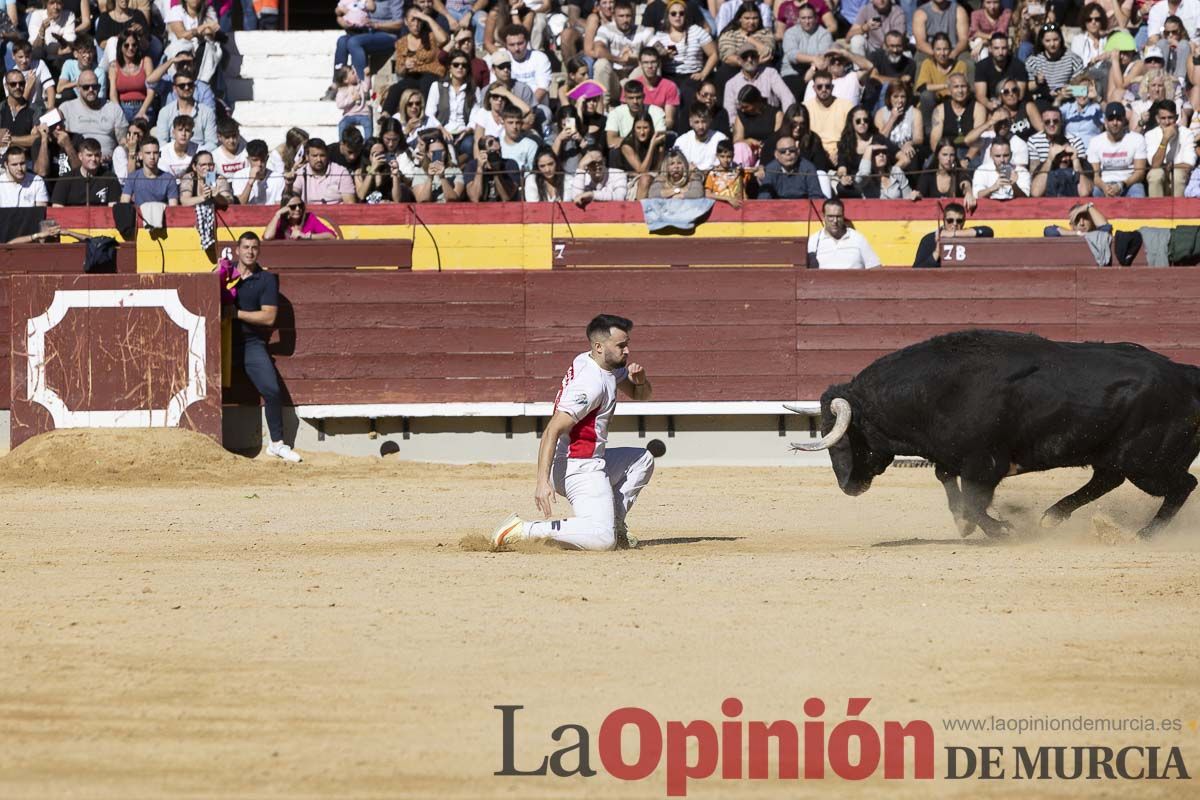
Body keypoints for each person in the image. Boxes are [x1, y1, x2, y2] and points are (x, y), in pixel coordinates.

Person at [490, 313, 653, 551]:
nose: (627, 351)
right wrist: (542, 482)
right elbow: (552, 430)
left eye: (627, 344)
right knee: (602, 540)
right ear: (599, 346)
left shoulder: (596, 362)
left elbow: (641, 395)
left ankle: (615, 525)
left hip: (589, 459)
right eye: (621, 345)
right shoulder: (590, 385)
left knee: (642, 460)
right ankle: (521, 530)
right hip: (578, 466)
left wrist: (641, 381)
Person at [224, 231, 303, 463]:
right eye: (246, 247)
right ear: (237, 250)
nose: (250, 251)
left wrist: (236, 313)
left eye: (254, 248)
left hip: (251, 343)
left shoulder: (266, 280)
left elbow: (269, 318)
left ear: (259, 251)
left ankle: (276, 443)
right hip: (221, 340)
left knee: (271, 390)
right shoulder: (225, 273)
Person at [59, 69, 129, 159]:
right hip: (77, 163)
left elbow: (123, 142)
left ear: (99, 87)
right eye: (86, 87)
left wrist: (116, 157)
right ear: (78, 88)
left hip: (108, 163)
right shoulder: (66, 108)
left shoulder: (113, 108)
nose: (91, 90)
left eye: (94, 86)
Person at [1087, 101, 1148, 196]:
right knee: (1095, 193)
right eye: (1111, 119)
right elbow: (1095, 176)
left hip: (1129, 183)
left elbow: (1140, 173)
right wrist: (1105, 188)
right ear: (1105, 121)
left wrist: (1121, 185)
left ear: (1124, 121)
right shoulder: (1095, 142)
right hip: (1104, 183)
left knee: (1138, 193)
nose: (1115, 123)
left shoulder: (1137, 139)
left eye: (1118, 119)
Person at [1028, 105, 1092, 197]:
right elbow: (1034, 186)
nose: (1051, 124)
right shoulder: (1034, 140)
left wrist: (1075, 159)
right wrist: (1050, 159)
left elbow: (1084, 189)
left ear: (1061, 122)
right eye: (1047, 121)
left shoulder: (1075, 140)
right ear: (1042, 123)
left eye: (1055, 121)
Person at [155, 65, 217, 152]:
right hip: (172, 159)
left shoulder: (207, 112)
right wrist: (177, 154)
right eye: (182, 86)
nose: (186, 88)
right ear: (175, 88)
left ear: (194, 86)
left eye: (190, 84)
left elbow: (212, 143)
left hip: (198, 158)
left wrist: (193, 154)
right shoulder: (165, 112)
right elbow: (161, 142)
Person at [912, 202, 993, 267]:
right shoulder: (929, 240)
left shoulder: (967, 235)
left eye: (959, 221)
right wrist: (936, 253)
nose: (954, 224)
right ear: (944, 220)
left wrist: (954, 234)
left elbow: (988, 232)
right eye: (950, 220)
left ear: (964, 222)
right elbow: (916, 271)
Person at [806, 198, 881, 268]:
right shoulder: (814, 240)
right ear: (823, 217)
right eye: (830, 216)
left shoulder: (858, 238)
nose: (835, 221)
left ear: (843, 216)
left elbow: (875, 267)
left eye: (838, 216)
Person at [51, 137, 123, 207]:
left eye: (97, 155)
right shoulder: (66, 179)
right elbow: (57, 208)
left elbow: (113, 209)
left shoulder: (110, 178)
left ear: (101, 155)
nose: (93, 159)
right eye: (89, 155)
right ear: (80, 156)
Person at [1144, 99, 1194, 196]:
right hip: (1161, 177)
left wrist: (1170, 167)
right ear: (1157, 119)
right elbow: (1154, 165)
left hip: (1179, 178)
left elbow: (1189, 165)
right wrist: (1165, 139)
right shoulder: (1150, 135)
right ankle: (1156, 210)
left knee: (1177, 174)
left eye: (1170, 118)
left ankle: (1179, 210)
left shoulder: (1187, 134)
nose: (1167, 122)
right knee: (1155, 174)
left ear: (1176, 117)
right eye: (1163, 118)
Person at [286, 138, 357, 204]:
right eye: (315, 156)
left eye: (322, 155)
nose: (319, 159)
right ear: (307, 157)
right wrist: (289, 185)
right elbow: (290, 201)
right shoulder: (301, 173)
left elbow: (350, 204)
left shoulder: (341, 172)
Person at [758, 135, 825, 198]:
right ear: (776, 154)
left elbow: (816, 196)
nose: (788, 153)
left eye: (792, 150)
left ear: (798, 151)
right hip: (778, 208)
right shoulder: (770, 169)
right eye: (783, 151)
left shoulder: (808, 168)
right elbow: (764, 198)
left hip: (804, 207)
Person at [120, 137, 180, 205]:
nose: (152, 157)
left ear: (160, 154)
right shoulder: (133, 178)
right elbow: (123, 204)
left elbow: (173, 209)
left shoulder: (169, 179)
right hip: (139, 215)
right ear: (140, 155)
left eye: (155, 153)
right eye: (148, 153)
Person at [674, 102, 727, 170]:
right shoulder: (681, 142)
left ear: (710, 120)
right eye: (697, 122)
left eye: (704, 121)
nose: (701, 126)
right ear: (690, 122)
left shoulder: (720, 139)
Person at [264, 193, 338, 239]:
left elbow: (331, 236)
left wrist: (307, 236)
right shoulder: (279, 221)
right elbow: (267, 237)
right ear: (285, 208)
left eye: (300, 205)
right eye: (293, 207)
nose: (298, 209)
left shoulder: (309, 218)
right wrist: (277, 215)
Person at [704, 138, 745, 207]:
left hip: (736, 207)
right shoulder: (713, 173)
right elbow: (707, 194)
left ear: (733, 156)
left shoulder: (737, 173)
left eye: (729, 157)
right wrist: (728, 199)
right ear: (717, 156)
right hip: (718, 207)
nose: (726, 160)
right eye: (722, 156)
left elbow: (742, 193)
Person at [1043, 201, 1112, 236]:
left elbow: (1106, 228)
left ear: (1092, 221)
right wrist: (1077, 233)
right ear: (1071, 225)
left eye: (1085, 218)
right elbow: (1048, 231)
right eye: (1077, 220)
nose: (1082, 223)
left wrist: (1088, 206)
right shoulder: (1067, 235)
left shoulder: (1096, 235)